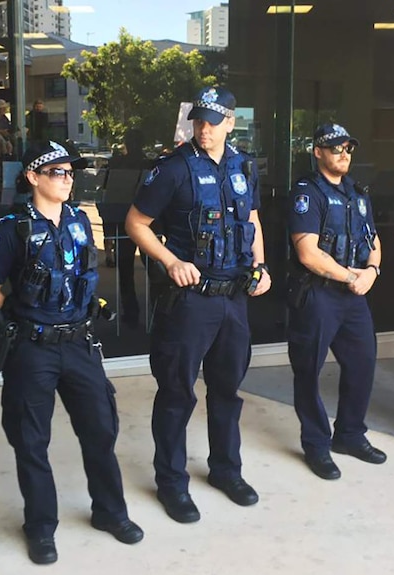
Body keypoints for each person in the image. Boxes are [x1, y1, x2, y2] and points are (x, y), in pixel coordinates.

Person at [0, 140, 143, 565]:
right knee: (32, 441)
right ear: (32, 176)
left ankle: (110, 512)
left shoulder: (79, 220)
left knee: (100, 431)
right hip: (34, 348)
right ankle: (41, 527)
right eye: (57, 172)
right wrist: (24, 319)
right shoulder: (12, 227)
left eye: (70, 173)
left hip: (79, 343)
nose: (67, 180)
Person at [125, 86, 271, 523]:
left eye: (213, 121)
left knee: (227, 390)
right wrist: (171, 261)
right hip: (190, 301)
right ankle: (171, 482)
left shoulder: (244, 165)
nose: (204, 129)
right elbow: (137, 223)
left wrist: (260, 267)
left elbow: (252, 220)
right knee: (176, 393)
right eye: (198, 121)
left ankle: (226, 470)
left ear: (231, 122)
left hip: (234, 300)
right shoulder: (172, 169)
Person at [285, 123, 385, 481]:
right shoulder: (306, 193)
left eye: (347, 148)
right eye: (335, 148)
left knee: (363, 364)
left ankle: (351, 435)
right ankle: (316, 445)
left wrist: (372, 272)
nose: (343, 153)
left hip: (353, 295)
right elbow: (308, 253)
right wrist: (351, 277)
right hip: (318, 294)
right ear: (318, 152)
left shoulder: (358, 193)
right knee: (308, 371)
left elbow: (373, 240)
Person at [102, 128, 153, 327]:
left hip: (127, 220)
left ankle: (131, 312)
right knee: (152, 268)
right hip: (141, 221)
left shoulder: (119, 163)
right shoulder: (147, 163)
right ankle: (153, 309)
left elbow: (106, 186)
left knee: (127, 269)